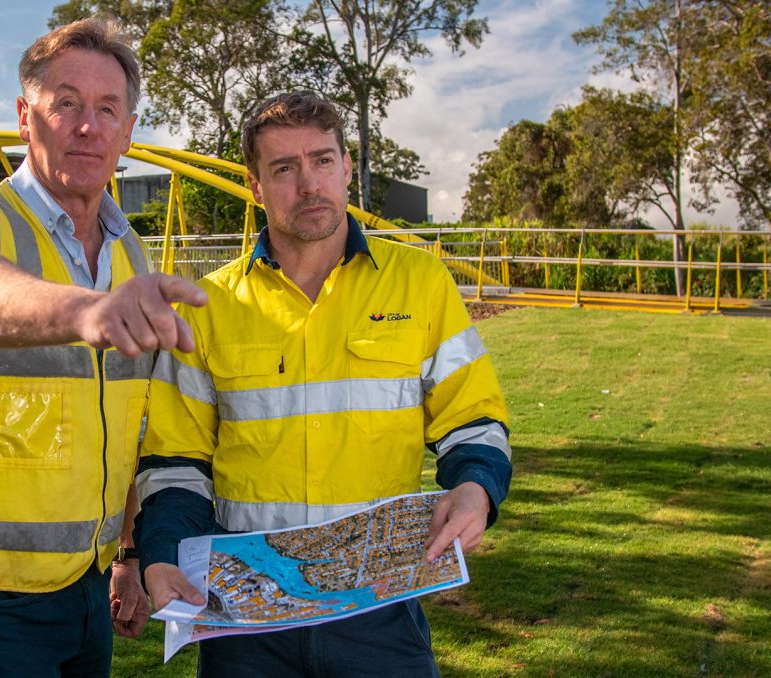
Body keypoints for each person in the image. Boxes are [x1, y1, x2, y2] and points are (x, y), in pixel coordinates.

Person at [135, 91, 512, 677]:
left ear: (347, 169)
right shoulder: (207, 307)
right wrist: (160, 556)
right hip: (246, 621)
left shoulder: (420, 283)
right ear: (256, 186)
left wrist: (477, 488)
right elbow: (175, 463)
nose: (309, 184)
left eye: (323, 161)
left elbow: (474, 419)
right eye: (284, 168)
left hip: (381, 608)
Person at [0, 17, 207, 676]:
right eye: (65, 103)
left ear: (127, 133)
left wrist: (127, 552)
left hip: (87, 584)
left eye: (106, 110)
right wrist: (89, 312)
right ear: (24, 116)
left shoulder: (129, 251)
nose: (87, 126)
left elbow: (126, 421)